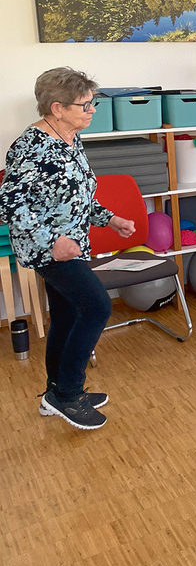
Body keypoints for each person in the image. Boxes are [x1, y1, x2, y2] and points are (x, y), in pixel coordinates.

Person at [0, 67, 135, 430]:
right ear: (56, 108)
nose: (92, 110)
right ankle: (68, 395)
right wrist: (51, 241)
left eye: (93, 103)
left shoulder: (71, 138)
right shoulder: (32, 146)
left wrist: (110, 219)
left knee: (66, 315)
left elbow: (75, 197)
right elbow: (9, 203)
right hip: (48, 250)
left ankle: (54, 393)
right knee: (96, 306)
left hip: (70, 246)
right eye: (85, 105)